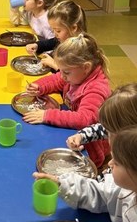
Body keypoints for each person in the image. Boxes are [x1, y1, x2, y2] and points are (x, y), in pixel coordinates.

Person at [24, 34, 111, 168]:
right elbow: (57, 80)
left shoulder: (96, 89)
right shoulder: (76, 75)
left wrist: (47, 115)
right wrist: (39, 86)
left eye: (66, 72)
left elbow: (84, 119)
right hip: (72, 134)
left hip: (90, 149)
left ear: (86, 67)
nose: (63, 76)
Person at [66, 82, 137, 156]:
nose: (108, 136)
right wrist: (81, 136)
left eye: (111, 133)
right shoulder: (125, 130)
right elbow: (101, 129)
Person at [26, 0, 87, 70]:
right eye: (53, 30)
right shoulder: (64, 39)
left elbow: (71, 75)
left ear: (73, 28)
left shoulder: (80, 51)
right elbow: (53, 42)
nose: (55, 34)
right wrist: (37, 46)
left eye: (58, 31)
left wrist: (54, 65)